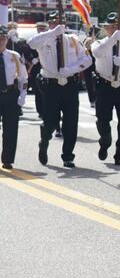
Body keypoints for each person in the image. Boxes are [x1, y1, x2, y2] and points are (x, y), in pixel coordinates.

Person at [28, 15, 92, 167]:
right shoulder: (44, 39)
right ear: (49, 24)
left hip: (70, 84)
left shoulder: (73, 40)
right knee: (50, 121)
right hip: (51, 86)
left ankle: (68, 156)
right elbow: (31, 43)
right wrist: (52, 33)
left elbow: (87, 60)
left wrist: (72, 69)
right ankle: (44, 142)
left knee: (71, 122)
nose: (55, 24)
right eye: (52, 22)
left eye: (58, 22)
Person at [90, 13, 120, 167]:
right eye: (110, 27)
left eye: (116, 27)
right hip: (104, 85)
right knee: (103, 119)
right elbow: (97, 53)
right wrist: (111, 40)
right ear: (106, 28)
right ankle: (105, 141)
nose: (113, 29)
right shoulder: (99, 43)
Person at [0, 26, 29, 169]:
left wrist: (23, 95)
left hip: (10, 94)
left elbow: (23, 78)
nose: (1, 41)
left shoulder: (14, 56)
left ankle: (8, 159)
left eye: (3, 38)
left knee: (11, 129)